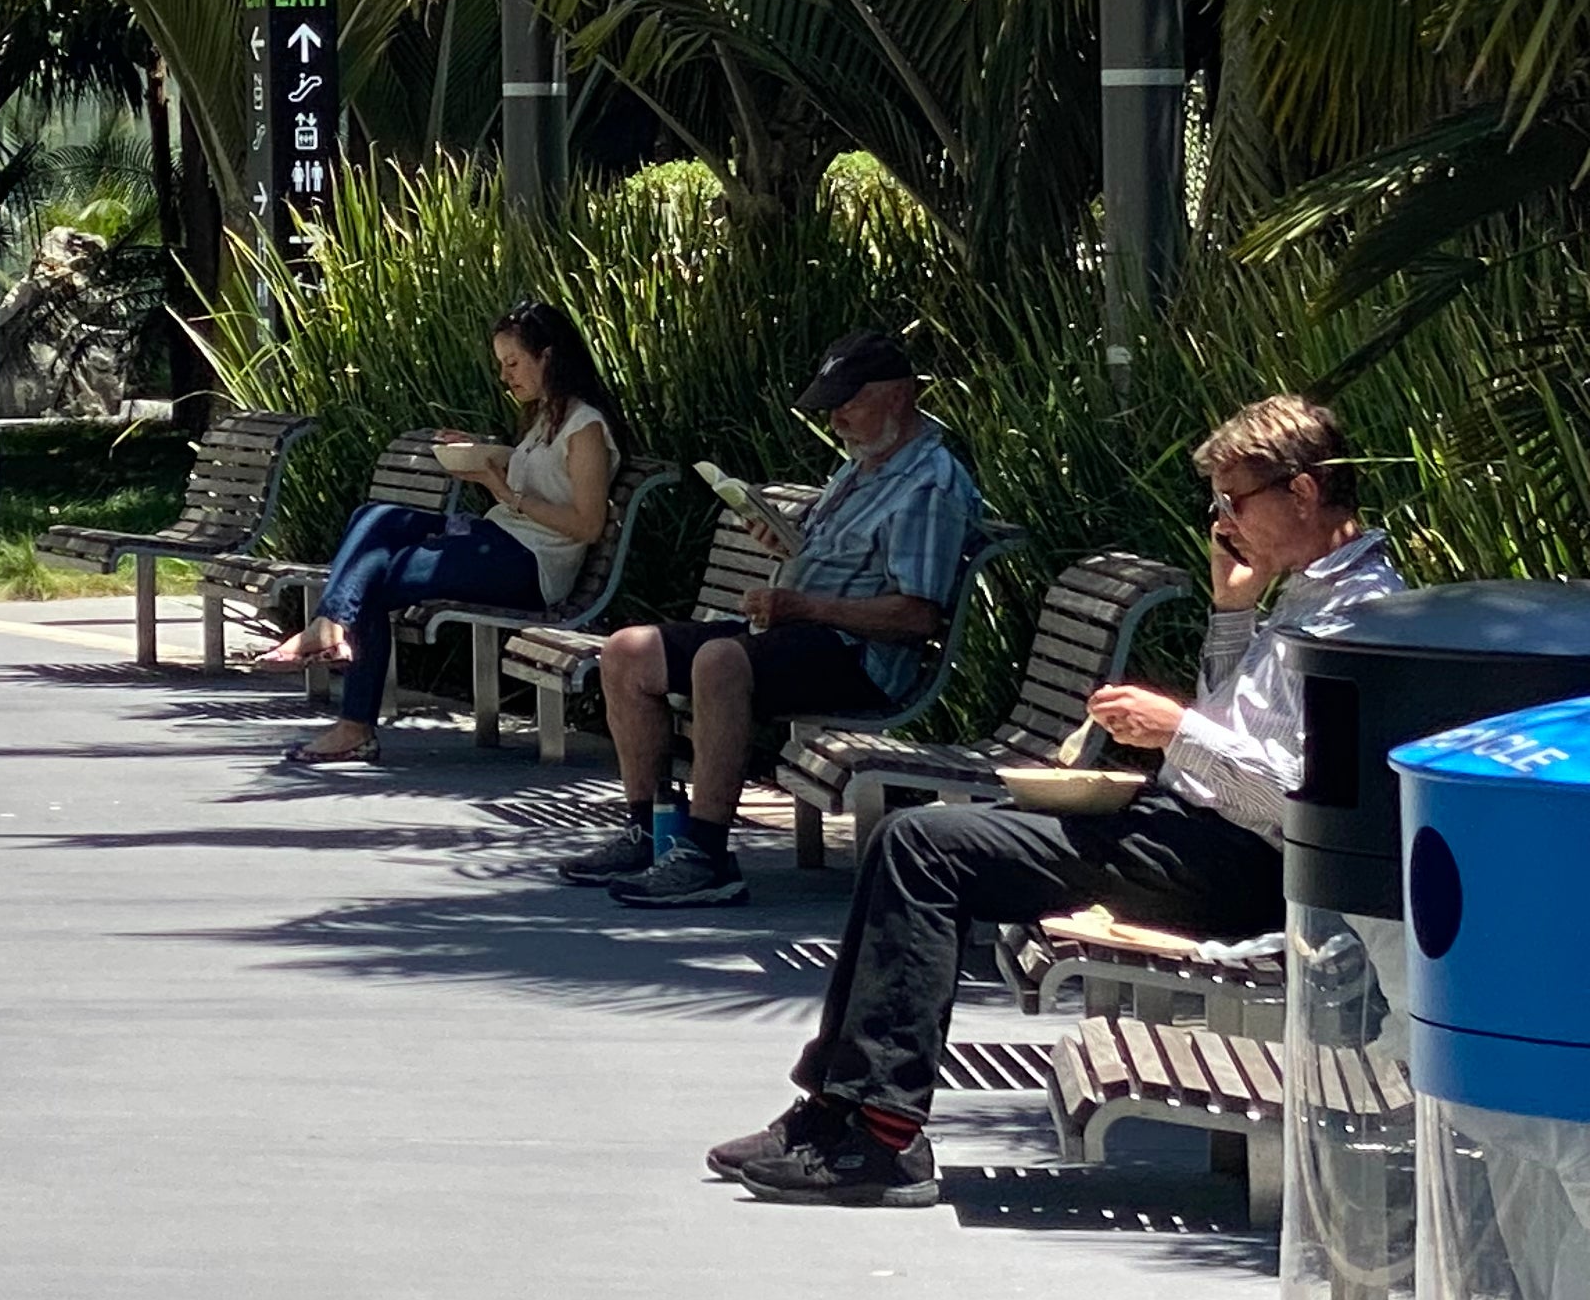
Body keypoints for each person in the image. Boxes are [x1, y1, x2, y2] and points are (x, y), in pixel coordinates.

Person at [706, 392, 1399, 1204]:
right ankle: (835, 1111)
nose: (1222, 521)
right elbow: (1243, 726)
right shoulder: (1308, 593)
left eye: (1233, 500)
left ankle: (884, 1138)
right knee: (916, 837)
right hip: (1189, 827)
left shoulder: (1363, 616)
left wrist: (1176, 731)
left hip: (1245, 865)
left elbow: (1302, 800)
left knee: (926, 851)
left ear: (1305, 493)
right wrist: (1232, 616)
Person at [561, 328, 982, 908]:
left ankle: (706, 856)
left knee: (720, 662)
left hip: (860, 655)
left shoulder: (928, 486)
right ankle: (649, 830)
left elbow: (915, 617)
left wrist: (804, 605)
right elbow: (831, 557)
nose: (837, 419)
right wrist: (783, 541)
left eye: (849, 402)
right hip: (798, 631)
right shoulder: (860, 469)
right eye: (830, 405)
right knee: (628, 651)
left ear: (902, 394)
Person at [259, 302, 625, 768]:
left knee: (379, 577)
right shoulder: (545, 417)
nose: (506, 376)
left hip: (531, 565)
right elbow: (546, 477)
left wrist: (503, 492)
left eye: (513, 363)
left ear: (548, 357)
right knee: (376, 517)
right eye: (502, 365)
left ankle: (352, 717)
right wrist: (482, 454)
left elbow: (588, 524)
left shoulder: (585, 426)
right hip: (500, 537)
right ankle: (330, 628)